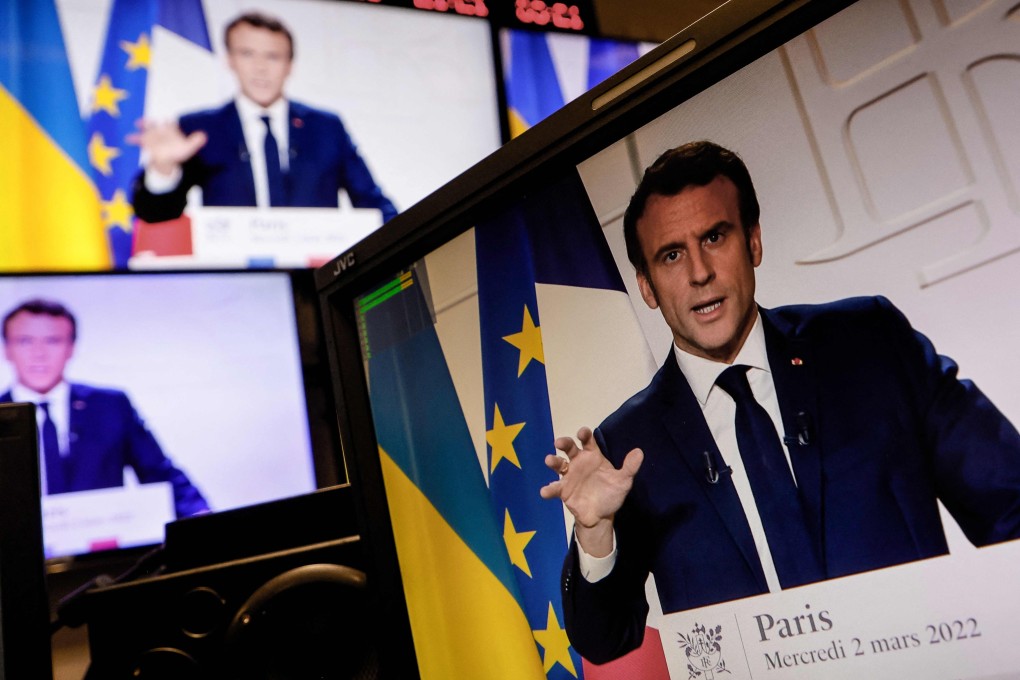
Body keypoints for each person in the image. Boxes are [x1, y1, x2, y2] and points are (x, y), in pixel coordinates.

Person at [539, 141, 1020, 663]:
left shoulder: (870, 344)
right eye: (671, 255)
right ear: (648, 286)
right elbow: (605, 640)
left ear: (753, 242)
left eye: (715, 237)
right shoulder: (628, 445)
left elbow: (1010, 500)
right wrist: (594, 535)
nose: (699, 272)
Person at [130, 11, 397, 223]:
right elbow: (156, 214)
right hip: (237, 282)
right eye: (247, 54)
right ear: (230, 60)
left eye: (272, 56)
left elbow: (374, 206)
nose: (260, 68)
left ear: (289, 65)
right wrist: (164, 169)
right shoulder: (201, 128)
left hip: (315, 281)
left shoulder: (326, 127)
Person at [1, 299, 209, 518]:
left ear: (71, 348)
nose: (39, 353)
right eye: (25, 341)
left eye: (52, 341)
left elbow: (159, 473)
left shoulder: (111, 406)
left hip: (103, 547)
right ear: (7, 349)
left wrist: (200, 516)